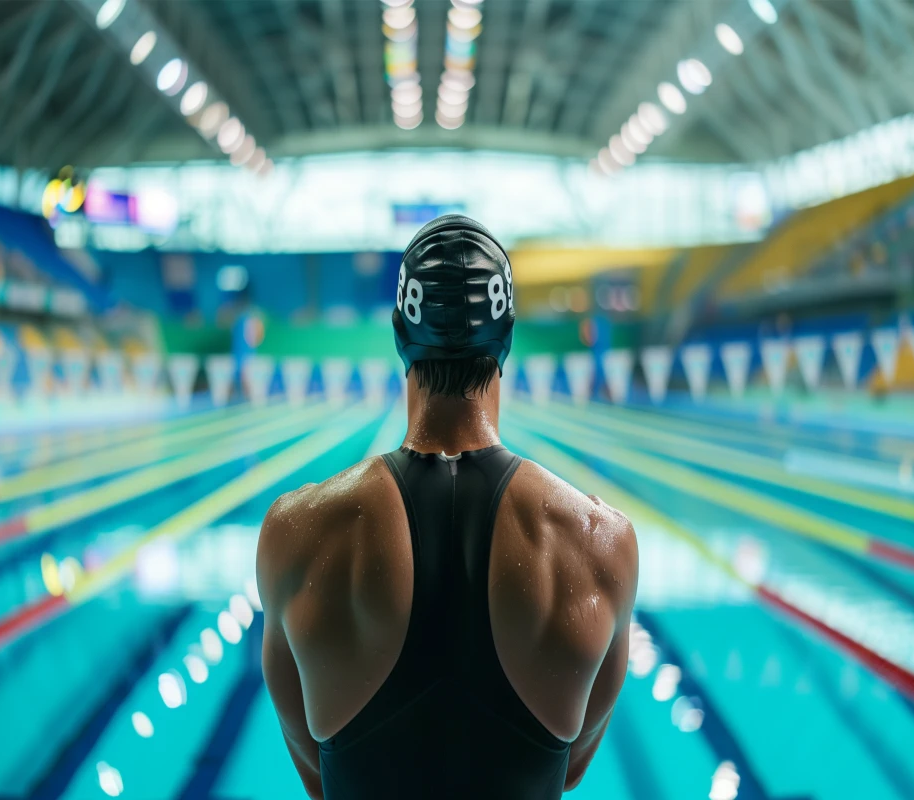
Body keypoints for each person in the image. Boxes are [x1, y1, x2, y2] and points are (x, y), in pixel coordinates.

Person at [257, 215, 639, 799]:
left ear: (399, 334)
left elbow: (316, 774)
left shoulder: (297, 533)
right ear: (507, 335)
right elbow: (571, 769)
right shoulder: (601, 543)